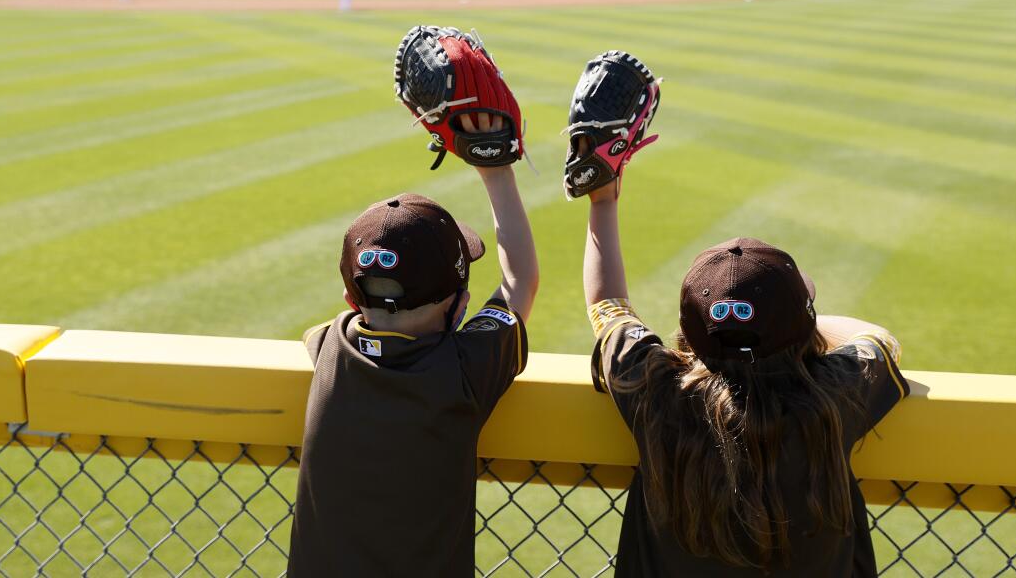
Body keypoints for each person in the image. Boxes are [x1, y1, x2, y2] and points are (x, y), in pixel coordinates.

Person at [580, 172, 909, 577]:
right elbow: (880, 340)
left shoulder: (656, 389)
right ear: (802, 329)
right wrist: (798, 321)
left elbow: (608, 306)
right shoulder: (832, 395)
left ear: (689, 333)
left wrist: (602, 201)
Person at [287, 113, 538, 578]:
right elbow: (519, 279)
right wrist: (495, 167)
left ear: (349, 299)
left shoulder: (329, 344)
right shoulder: (463, 370)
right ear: (461, 306)